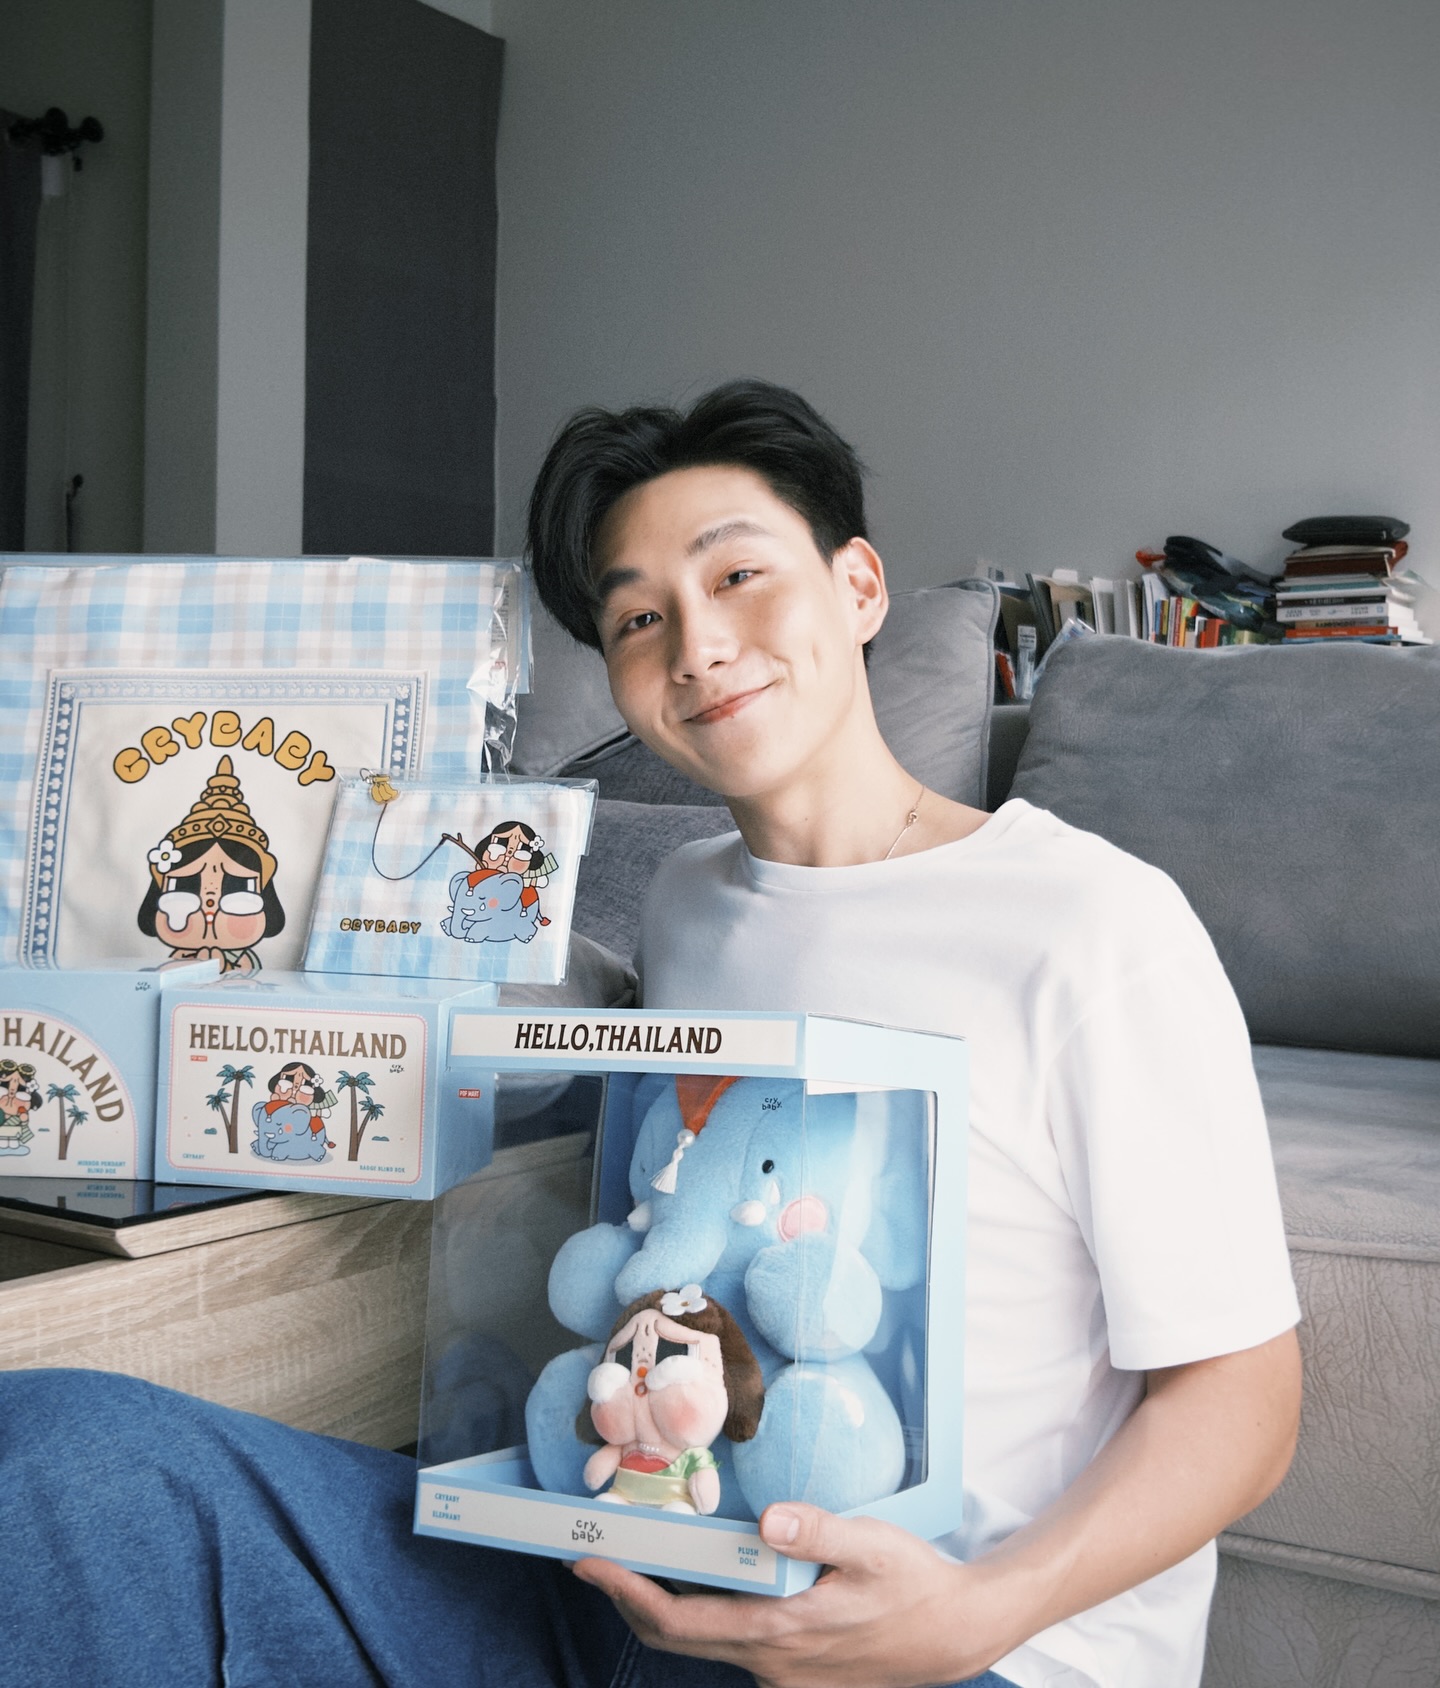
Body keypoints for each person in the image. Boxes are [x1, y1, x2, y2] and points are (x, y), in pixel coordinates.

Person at [0, 379, 1299, 1688]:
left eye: (739, 576)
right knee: (66, 1458)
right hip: (624, 1568)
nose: (698, 646)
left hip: (952, 1646)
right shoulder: (685, 903)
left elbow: (1244, 1403)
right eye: (639, 618)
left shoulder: (1095, 924)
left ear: (858, 588)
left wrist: (977, 1613)